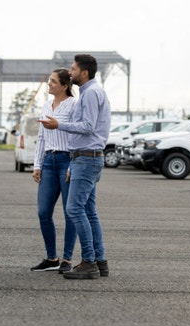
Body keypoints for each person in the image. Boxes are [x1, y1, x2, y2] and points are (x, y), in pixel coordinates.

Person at [39, 53, 111, 280]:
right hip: (86, 157)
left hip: (87, 158)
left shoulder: (90, 94)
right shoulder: (94, 92)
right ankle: (100, 262)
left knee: (75, 210)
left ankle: (89, 261)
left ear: (84, 72)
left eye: (73, 69)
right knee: (89, 211)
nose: (70, 72)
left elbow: (88, 126)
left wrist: (59, 124)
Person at [30, 68, 77, 273]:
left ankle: (67, 259)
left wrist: (74, 165)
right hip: (49, 160)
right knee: (43, 212)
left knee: (70, 212)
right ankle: (52, 258)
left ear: (65, 86)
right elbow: (41, 137)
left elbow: (77, 135)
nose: (49, 84)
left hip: (67, 160)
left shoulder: (74, 105)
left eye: (53, 81)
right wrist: (37, 164)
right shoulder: (46, 105)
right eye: (49, 80)